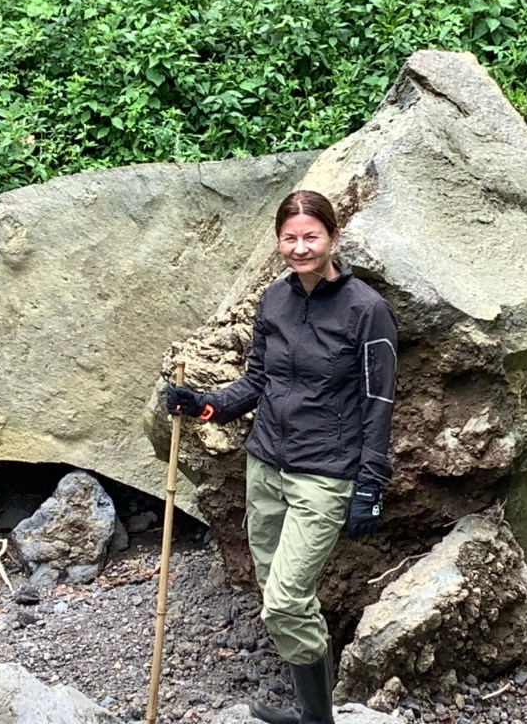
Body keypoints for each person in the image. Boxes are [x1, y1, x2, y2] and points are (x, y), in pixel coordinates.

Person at [165, 189, 398, 724]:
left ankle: (317, 719)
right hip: (266, 465)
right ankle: (314, 711)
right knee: (275, 592)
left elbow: (379, 403)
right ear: (278, 242)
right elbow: (257, 381)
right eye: (290, 238)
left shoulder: (367, 310)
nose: (300, 247)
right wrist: (204, 405)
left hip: (326, 474)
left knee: (286, 601)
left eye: (311, 236)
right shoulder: (274, 299)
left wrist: (370, 485)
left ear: (333, 237)